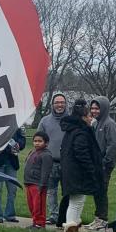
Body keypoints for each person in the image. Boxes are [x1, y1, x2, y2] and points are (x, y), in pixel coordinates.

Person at [58, 99, 103, 232]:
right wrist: (91, 168)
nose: (91, 118)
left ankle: (75, 223)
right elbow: (81, 152)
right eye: (89, 116)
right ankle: (70, 226)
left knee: (79, 198)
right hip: (77, 171)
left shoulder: (72, 130)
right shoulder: (81, 132)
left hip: (72, 170)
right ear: (83, 117)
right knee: (76, 200)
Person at [84, 96, 116, 232]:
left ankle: (102, 219)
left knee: (101, 190)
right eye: (92, 108)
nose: (94, 111)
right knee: (97, 191)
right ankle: (98, 218)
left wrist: (105, 161)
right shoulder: (96, 123)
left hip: (104, 164)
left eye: (97, 108)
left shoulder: (109, 124)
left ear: (104, 108)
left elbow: (114, 144)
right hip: (97, 164)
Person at [36, 93, 68, 224]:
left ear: (65, 104)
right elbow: (38, 140)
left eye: (62, 102)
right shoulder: (45, 121)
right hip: (50, 162)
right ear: (52, 105)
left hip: (67, 162)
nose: (60, 105)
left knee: (67, 192)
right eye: (57, 102)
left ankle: (65, 216)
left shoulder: (71, 120)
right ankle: (53, 215)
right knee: (51, 191)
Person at [0, 126, 26, 223]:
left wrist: (18, 145)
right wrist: (9, 148)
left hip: (11, 162)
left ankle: (10, 214)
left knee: (12, 189)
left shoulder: (17, 124)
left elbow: (22, 140)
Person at [23, 132, 53, 230]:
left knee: (38, 205)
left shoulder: (46, 155)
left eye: (40, 141)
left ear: (46, 143)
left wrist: (42, 184)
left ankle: (40, 224)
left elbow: (46, 171)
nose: (37, 143)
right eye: (35, 141)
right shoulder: (33, 152)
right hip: (29, 183)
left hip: (38, 184)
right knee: (31, 205)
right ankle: (35, 222)